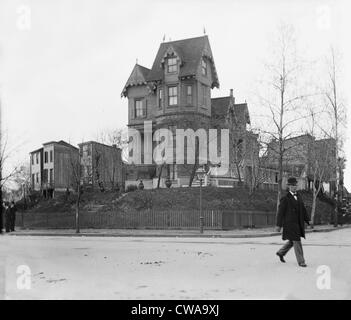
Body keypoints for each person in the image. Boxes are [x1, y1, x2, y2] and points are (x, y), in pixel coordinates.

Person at [275, 177, 310, 267]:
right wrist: (278, 225)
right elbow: (280, 213)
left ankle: (281, 252)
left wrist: (308, 221)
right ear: (289, 187)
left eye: (295, 185)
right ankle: (301, 261)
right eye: (292, 185)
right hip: (290, 224)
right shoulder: (285, 198)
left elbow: (303, 209)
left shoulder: (299, 196)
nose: (294, 187)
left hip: (298, 224)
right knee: (297, 241)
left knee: (292, 241)